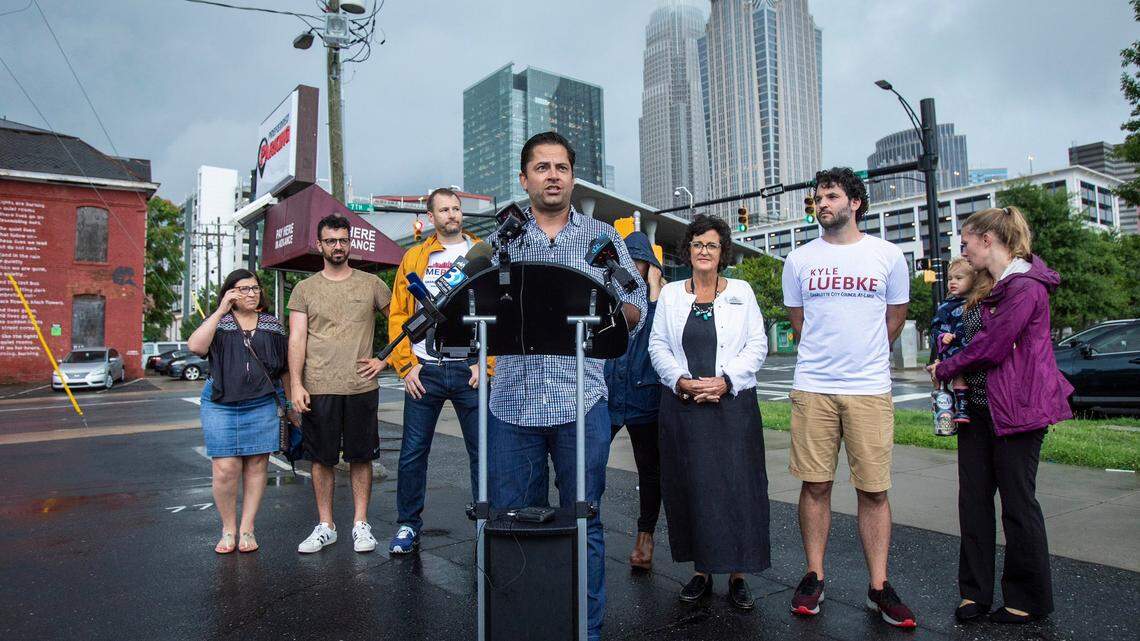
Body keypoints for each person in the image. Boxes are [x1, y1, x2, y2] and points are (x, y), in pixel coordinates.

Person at [483, 131, 647, 641]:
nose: (552, 175)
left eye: (561, 167)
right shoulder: (504, 241)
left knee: (584, 520)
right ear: (524, 178)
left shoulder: (602, 238)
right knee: (513, 524)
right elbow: (473, 306)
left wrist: (613, 311)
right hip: (513, 404)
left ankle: (586, 629)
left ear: (573, 176)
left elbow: (636, 306)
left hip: (581, 402)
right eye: (541, 167)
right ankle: (524, 625)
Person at [780, 167, 916, 628]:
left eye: (831, 196)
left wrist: (866, 356)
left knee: (873, 489)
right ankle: (814, 576)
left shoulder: (887, 255)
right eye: (818, 197)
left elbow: (895, 317)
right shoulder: (798, 260)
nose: (822, 204)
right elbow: (800, 324)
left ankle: (879, 585)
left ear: (855, 202)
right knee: (815, 484)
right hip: (813, 386)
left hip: (870, 389)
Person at [929, 206, 1071, 624]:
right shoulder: (985, 286)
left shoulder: (1025, 287)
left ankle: (1026, 600)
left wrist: (947, 368)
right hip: (977, 409)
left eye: (966, 242)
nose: (962, 250)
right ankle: (973, 594)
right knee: (972, 503)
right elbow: (966, 340)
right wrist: (945, 352)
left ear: (987, 240)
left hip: (1018, 411)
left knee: (1017, 505)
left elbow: (992, 347)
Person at [648, 214, 770, 610]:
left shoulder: (742, 291)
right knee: (692, 487)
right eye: (698, 244)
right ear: (689, 250)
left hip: (732, 406)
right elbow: (658, 346)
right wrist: (681, 380)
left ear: (722, 253)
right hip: (683, 407)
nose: (704, 251)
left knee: (738, 488)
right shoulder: (670, 295)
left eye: (712, 245)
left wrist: (726, 380)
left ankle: (737, 575)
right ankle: (701, 572)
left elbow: (757, 345)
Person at [386, 187, 492, 554]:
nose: (452, 215)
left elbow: (497, 309)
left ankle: (485, 521)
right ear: (430, 217)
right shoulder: (414, 257)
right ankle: (407, 525)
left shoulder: (482, 253)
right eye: (444, 210)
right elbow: (398, 314)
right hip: (424, 370)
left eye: (456, 209)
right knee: (413, 452)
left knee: (482, 452)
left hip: (470, 369)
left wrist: (487, 362)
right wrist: (406, 367)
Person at [288, 214, 392, 554]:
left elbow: (402, 323)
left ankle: (361, 525)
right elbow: (297, 339)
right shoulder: (304, 289)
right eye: (331, 240)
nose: (337, 246)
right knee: (322, 459)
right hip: (318, 386)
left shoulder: (372, 284)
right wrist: (296, 386)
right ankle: (326, 525)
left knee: (361, 458)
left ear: (351, 243)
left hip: (361, 385)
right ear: (319, 244)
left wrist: (385, 360)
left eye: (343, 240)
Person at [188, 269, 295, 554]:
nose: (251, 293)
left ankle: (247, 528)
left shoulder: (272, 325)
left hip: (261, 402)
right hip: (220, 403)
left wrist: (291, 402)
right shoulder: (219, 323)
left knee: (257, 465)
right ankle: (228, 528)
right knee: (225, 468)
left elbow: (284, 367)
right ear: (230, 293)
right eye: (243, 289)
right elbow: (196, 346)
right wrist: (221, 309)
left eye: (255, 288)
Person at [604, 231, 664, 571]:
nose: (633, 266)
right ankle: (586, 521)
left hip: (645, 395)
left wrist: (654, 291)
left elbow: (660, 336)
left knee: (650, 470)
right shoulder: (608, 292)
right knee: (588, 459)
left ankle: (646, 535)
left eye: (639, 260)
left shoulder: (661, 300)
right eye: (627, 259)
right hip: (609, 393)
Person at [929, 258, 992, 424]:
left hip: (972, 352)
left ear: (973, 280)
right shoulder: (946, 306)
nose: (952, 282)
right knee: (957, 375)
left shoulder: (977, 303)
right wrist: (943, 336)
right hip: (954, 351)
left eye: (959, 278)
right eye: (950, 279)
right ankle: (960, 407)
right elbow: (935, 327)